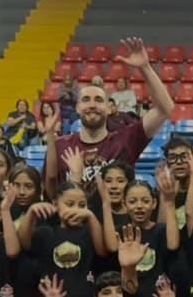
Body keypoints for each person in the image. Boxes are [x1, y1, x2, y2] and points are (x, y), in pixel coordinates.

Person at [46, 37, 173, 196]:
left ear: (109, 108)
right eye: (86, 100)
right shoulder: (60, 146)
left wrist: (145, 67)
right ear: (77, 108)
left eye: (99, 100)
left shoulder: (126, 140)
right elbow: (50, 192)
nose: (92, 105)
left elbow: (165, 109)